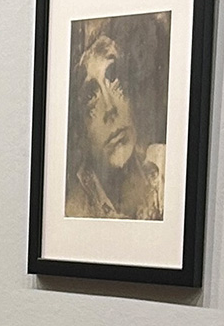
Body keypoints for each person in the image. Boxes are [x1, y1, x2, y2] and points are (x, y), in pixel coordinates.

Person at [65, 22, 167, 221]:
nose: (110, 108)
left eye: (115, 81)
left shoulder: (164, 171)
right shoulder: (74, 211)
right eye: (90, 97)